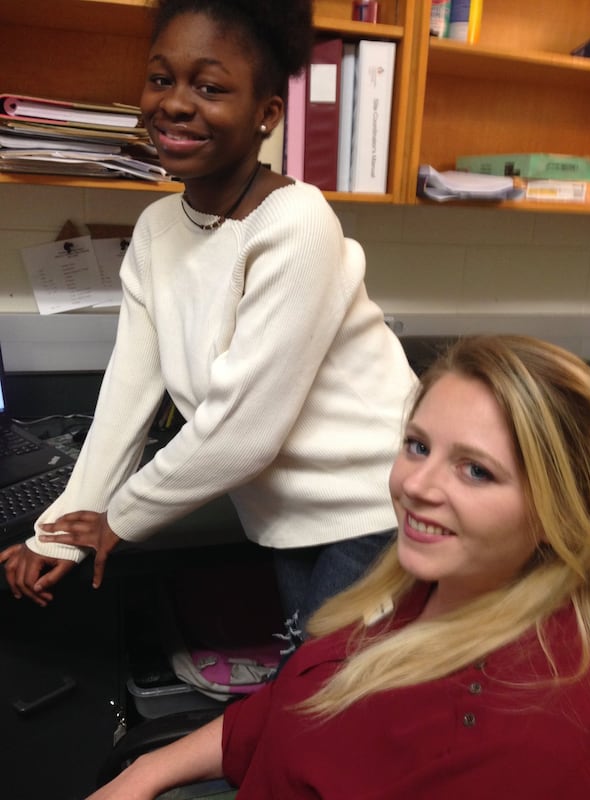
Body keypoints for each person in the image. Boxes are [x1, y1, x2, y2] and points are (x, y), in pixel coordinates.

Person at [0, 0, 417, 630]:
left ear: (266, 114)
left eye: (210, 87)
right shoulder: (156, 229)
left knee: (322, 698)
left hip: (376, 501)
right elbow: (128, 392)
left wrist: (121, 518)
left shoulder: (297, 221)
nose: (174, 103)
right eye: (161, 78)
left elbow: (242, 429)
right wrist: (59, 530)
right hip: (286, 513)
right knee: (309, 694)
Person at [83, 334, 590, 799]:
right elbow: (288, 704)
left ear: (559, 508)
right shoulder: (426, 585)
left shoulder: (528, 737)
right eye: (418, 446)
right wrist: (144, 773)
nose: (416, 486)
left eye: (476, 470)